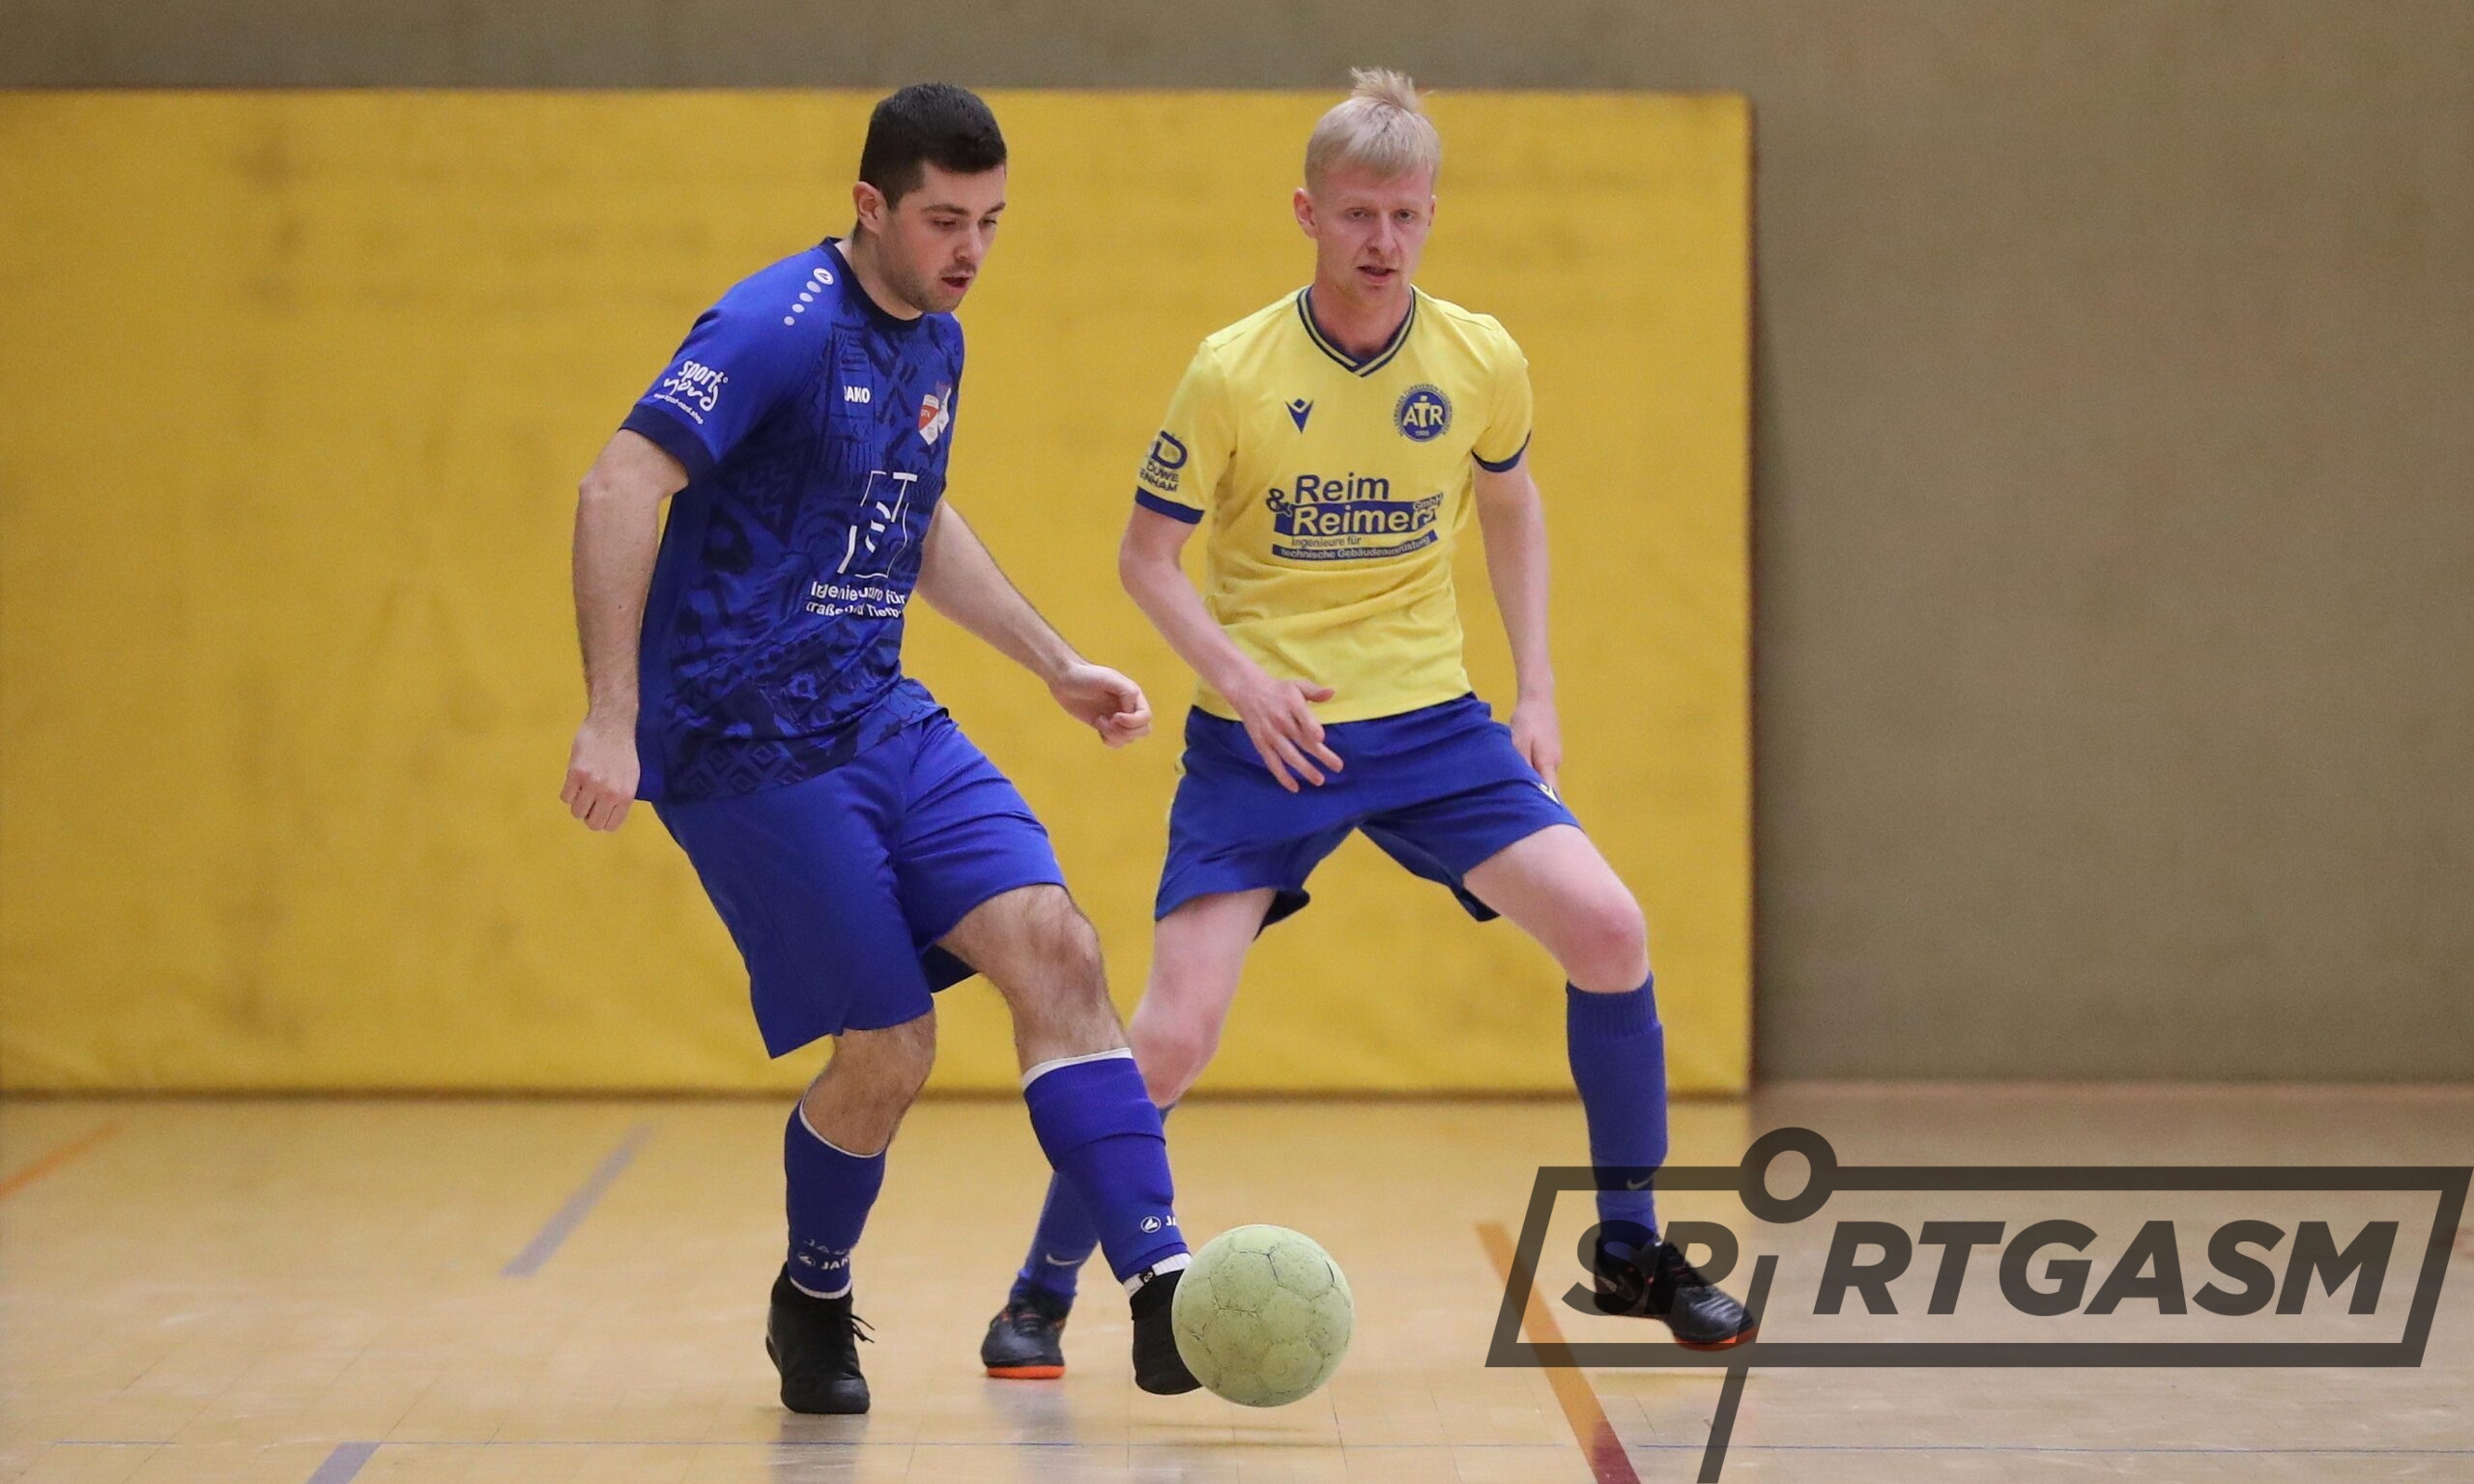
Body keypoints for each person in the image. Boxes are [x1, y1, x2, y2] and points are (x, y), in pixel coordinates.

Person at [979, 69, 1751, 1379]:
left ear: (1433, 213)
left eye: (1405, 215)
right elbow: (1146, 560)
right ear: (1308, 213)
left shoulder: (1479, 357)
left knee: (1611, 930)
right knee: (1170, 1035)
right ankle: (1043, 1290)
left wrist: (1537, 688)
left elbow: (1511, 506)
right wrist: (1242, 681)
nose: (1382, 240)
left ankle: (1630, 1249)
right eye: (1356, 214)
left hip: (1434, 728)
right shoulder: (1232, 370)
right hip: (1266, 742)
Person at [559, 82, 1200, 1414]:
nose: (971, 250)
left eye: (992, 222)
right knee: (892, 1051)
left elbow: (913, 515)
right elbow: (618, 485)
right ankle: (812, 1291)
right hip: (744, 743)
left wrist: (1054, 661)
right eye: (944, 220)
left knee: (1058, 946)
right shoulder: (774, 325)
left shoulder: (937, 342)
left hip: (878, 712)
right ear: (870, 206)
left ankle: (1162, 1289)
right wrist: (612, 716)